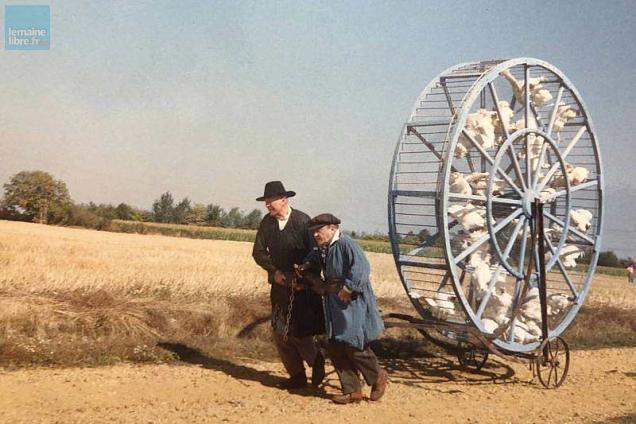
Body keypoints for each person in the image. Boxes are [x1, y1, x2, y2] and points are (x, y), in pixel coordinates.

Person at [303, 213, 387, 404]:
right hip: (334, 300)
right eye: (313, 232)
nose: (316, 235)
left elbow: (362, 268)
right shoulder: (323, 248)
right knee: (336, 345)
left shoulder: (346, 244)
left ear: (332, 228)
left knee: (353, 343)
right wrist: (305, 267)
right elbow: (312, 260)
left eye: (319, 230)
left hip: (352, 300)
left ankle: (378, 377)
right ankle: (352, 391)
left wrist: (349, 288)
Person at [252, 181, 325, 389]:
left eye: (270, 201)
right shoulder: (267, 223)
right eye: (265, 202)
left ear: (284, 200)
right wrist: (274, 272)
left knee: (300, 333)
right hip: (279, 285)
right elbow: (258, 252)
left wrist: (302, 276)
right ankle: (297, 376)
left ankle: (316, 361)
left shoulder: (303, 221)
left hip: (303, 288)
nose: (267, 205)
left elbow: (316, 254)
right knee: (279, 332)